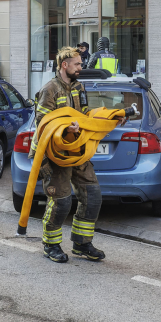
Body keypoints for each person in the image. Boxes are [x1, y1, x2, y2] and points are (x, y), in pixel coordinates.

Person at [30, 46, 123, 263]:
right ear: (65, 65)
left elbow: (85, 116)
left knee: (92, 196)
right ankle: (50, 244)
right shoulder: (49, 90)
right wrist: (65, 130)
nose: (81, 67)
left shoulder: (79, 87)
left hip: (77, 151)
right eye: (78, 64)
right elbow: (42, 124)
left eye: (81, 64)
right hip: (55, 154)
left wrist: (112, 118)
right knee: (61, 202)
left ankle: (82, 244)